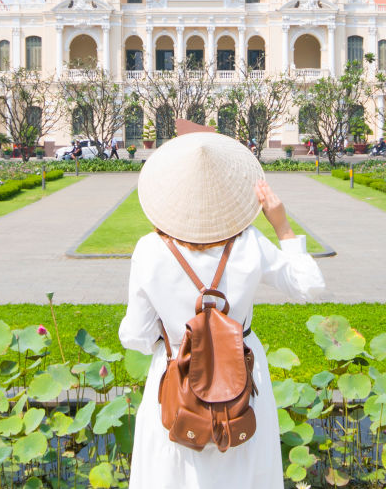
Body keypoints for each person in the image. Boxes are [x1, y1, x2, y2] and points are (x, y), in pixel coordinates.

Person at [118, 132, 325, 488]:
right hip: (241, 376)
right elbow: (309, 285)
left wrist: (171, 328)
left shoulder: (150, 249)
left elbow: (135, 337)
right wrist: (283, 226)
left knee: (174, 471)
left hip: (175, 373)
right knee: (242, 469)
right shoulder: (249, 243)